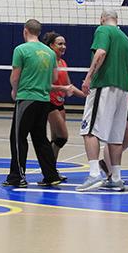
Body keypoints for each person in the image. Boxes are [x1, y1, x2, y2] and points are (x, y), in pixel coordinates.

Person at [2, 19, 62, 188]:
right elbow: (55, 78)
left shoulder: (21, 49)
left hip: (27, 98)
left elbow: (15, 77)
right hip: (44, 100)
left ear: (25, 31)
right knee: (40, 138)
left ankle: (17, 177)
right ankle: (51, 175)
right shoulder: (50, 53)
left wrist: (15, 90)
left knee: (18, 138)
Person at [77, 9, 128, 192]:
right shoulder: (126, 39)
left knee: (89, 130)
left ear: (102, 19)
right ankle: (116, 178)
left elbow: (100, 53)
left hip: (104, 86)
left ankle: (94, 174)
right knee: (115, 137)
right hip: (122, 91)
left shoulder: (103, 30)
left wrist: (88, 78)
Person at [42, 32, 86, 165]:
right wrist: (63, 89)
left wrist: (87, 95)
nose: (63, 46)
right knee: (62, 137)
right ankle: (47, 166)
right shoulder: (48, 62)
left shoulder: (63, 62)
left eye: (64, 44)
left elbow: (69, 86)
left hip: (60, 103)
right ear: (51, 46)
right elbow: (45, 86)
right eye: (60, 44)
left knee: (56, 139)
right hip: (49, 103)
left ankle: (51, 171)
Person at [99, 73, 128, 188]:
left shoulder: (127, 62)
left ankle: (106, 161)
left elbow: (127, 84)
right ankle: (110, 174)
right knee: (112, 140)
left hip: (126, 102)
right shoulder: (115, 62)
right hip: (114, 101)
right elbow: (113, 84)